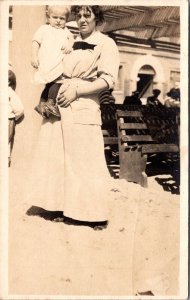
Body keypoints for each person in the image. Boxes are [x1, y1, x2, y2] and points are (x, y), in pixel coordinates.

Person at [26, 5, 120, 230]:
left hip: (83, 104)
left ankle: (94, 214)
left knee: (85, 161)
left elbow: (108, 80)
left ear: (98, 18)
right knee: (59, 159)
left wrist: (78, 90)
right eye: (78, 16)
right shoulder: (69, 40)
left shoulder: (106, 43)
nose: (82, 20)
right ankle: (63, 207)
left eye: (87, 15)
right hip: (61, 104)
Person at [31, 5, 74, 118]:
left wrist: (69, 45)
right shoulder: (44, 29)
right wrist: (34, 57)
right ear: (48, 17)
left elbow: (71, 38)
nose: (58, 21)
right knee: (58, 81)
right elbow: (35, 42)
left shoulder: (65, 31)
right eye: (55, 17)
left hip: (58, 61)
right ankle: (50, 103)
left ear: (66, 19)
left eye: (62, 18)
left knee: (50, 83)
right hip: (47, 61)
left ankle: (41, 103)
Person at [8, 70, 24, 167]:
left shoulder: (9, 92)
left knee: (6, 141)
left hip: (7, 120)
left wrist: (13, 119)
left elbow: (19, 108)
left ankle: (6, 158)